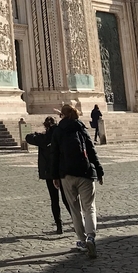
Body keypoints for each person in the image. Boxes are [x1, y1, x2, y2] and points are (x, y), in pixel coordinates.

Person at [51, 104, 104, 259]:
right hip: (85, 172)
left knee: (75, 209)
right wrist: (99, 171)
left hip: (67, 175)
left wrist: (55, 176)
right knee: (90, 207)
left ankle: (81, 240)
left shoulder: (58, 131)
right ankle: (91, 237)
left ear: (62, 115)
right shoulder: (81, 127)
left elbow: (54, 155)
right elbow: (91, 150)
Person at [26, 116, 71, 234]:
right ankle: (76, 221)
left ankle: (59, 225)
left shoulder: (43, 138)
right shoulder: (60, 137)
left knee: (54, 199)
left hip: (49, 173)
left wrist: (38, 133)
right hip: (61, 172)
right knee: (67, 198)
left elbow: (28, 137)